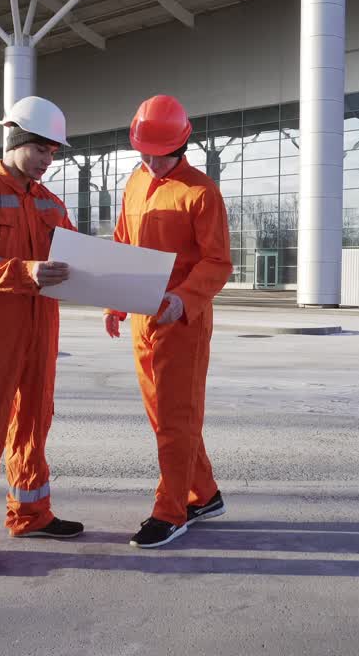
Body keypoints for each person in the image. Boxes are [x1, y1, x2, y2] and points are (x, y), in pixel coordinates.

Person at [0, 96, 84, 573]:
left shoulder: (50, 203)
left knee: (33, 422)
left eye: (53, 153)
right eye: (43, 149)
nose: (49, 159)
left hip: (40, 328)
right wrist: (27, 272)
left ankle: (31, 513)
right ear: (17, 140)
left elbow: (77, 256)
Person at [104, 95, 233, 548]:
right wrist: (115, 300)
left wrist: (184, 299)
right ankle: (206, 494)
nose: (150, 162)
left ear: (180, 145)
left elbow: (218, 262)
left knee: (177, 417)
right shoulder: (135, 182)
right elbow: (123, 242)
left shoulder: (201, 192)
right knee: (163, 416)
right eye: (143, 153)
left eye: (158, 155)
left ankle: (171, 510)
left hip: (183, 321)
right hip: (142, 316)